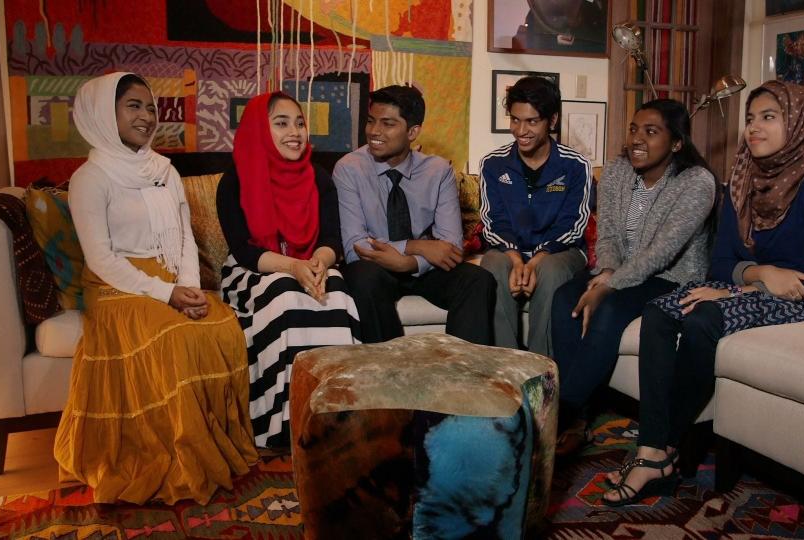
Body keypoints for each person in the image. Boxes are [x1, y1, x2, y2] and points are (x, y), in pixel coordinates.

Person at [603, 80, 804, 506]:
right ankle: (652, 451)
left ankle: (659, 449)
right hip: (754, 284)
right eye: (751, 118)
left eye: (768, 117)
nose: (754, 127)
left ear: (797, 124)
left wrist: (737, 289)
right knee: (660, 311)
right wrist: (755, 274)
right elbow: (720, 264)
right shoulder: (742, 180)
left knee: (704, 317)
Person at [54, 72, 257, 504]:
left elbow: (183, 237)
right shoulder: (90, 178)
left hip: (169, 277)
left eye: (151, 107)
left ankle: (216, 450)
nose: (147, 116)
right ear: (103, 113)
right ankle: (177, 460)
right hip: (115, 288)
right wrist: (165, 296)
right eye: (133, 106)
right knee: (176, 336)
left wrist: (188, 287)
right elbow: (101, 258)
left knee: (220, 326)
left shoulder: (164, 169)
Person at [550, 99, 718, 456]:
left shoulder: (697, 182)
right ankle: (578, 421)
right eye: (634, 129)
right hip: (621, 270)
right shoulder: (617, 170)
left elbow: (663, 252)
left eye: (651, 131)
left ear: (676, 143)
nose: (637, 139)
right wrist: (608, 272)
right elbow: (608, 234)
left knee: (608, 309)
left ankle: (558, 416)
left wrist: (609, 285)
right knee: (565, 299)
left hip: (672, 277)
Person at [217, 91, 361, 448]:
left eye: (299, 123)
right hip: (253, 269)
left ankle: (337, 420)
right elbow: (245, 251)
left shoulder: (319, 178)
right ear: (259, 130)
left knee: (338, 291)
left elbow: (332, 239)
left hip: (310, 263)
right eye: (281, 123)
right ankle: (281, 424)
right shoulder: (235, 179)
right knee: (283, 293)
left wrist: (319, 263)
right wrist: (294, 267)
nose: (294, 132)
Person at [334, 85, 496, 344]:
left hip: (423, 270)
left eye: (387, 124)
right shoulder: (349, 168)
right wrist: (416, 246)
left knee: (478, 280)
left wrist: (408, 263)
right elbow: (356, 247)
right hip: (375, 269)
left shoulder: (438, 171)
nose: (374, 131)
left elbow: (451, 248)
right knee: (363, 276)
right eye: (371, 121)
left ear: (413, 131)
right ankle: (390, 372)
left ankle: (464, 375)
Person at [479, 76, 590, 357]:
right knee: (492, 262)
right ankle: (507, 369)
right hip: (510, 250)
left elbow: (573, 226)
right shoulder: (493, 164)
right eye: (515, 120)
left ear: (551, 121)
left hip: (560, 252)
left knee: (550, 270)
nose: (521, 130)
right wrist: (516, 258)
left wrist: (537, 258)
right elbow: (494, 223)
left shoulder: (576, 166)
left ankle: (541, 376)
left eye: (532, 121)